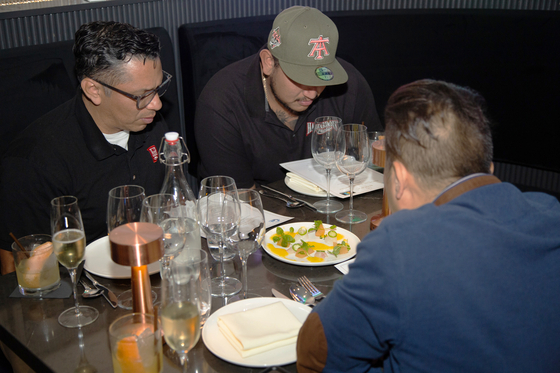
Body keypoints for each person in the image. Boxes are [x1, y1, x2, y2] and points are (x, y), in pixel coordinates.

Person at [296, 79, 560, 372]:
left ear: (398, 179)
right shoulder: (550, 213)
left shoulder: (401, 247)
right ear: (490, 169)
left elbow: (316, 355)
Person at [0, 21, 170, 275]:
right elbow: (18, 271)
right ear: (94, 90)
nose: (156, 104)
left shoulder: (148, 123)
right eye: (142, 95)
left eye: (158, 88)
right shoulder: (34, 161)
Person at [194, 6, 383, 188]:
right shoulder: (221, 103)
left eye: (322, 76)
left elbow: (379, 162)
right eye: (300, 78)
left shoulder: (349, 85)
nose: (312, 93)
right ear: (268, 62)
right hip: (261, 209)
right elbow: (240, 201)